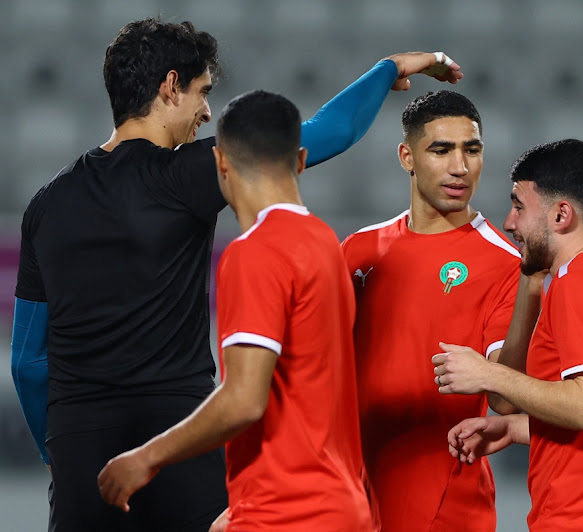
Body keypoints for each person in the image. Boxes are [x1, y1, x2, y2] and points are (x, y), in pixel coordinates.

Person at [10, 17, 462, 532]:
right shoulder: (188, 174)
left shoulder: (45, 206)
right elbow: (323, 134)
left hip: (79, 451)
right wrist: (387, 69)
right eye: (202, 92)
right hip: (182, 441)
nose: (206, 112)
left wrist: (58, 451)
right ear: (171, 86)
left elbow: (27, 361)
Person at [98, 89, 373, 531]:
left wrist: (146, 458)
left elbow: (244, 399)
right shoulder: (324, 242)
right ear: (301, 160)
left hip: (289, 511)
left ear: (221, 162)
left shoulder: (255, 253)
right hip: (339, 504)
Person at [433, 139, 583, 531]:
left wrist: (487, 373)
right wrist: (513, 428)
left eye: (519, 207)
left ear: (561, 215)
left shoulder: (580, 284)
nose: (509, 222)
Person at [341, 90, 521, 532]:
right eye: (441, 150)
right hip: (351, 498)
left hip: (445, 505)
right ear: (407, 156)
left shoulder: (504, 262)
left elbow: (503, 394)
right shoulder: (359, 250)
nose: (460, 167)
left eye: (472, 150)